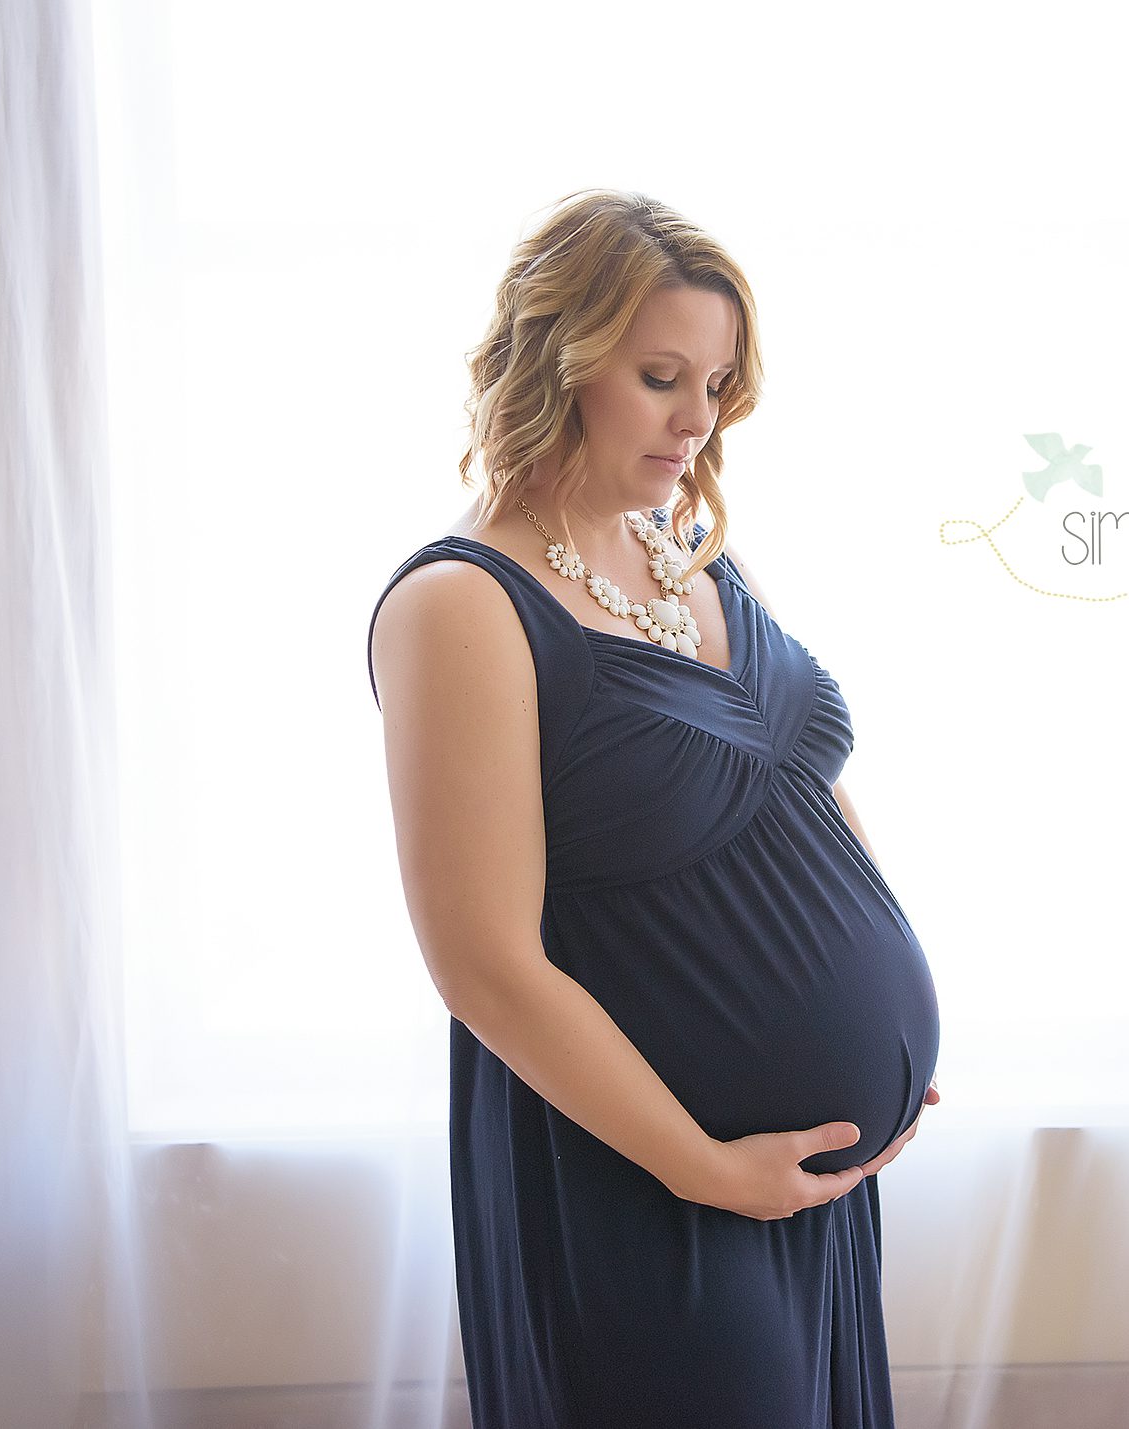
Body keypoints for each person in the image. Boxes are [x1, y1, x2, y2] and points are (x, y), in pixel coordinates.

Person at [365, 188, 943, 1428]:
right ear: (557, 363)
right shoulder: (462, 607)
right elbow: (482, 964)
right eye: (661, 376)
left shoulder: (685, 545)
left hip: (795, 1183)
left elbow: (797, 783)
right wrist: (711, 1170)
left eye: (719, 381)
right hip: (646, 1184)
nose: (701, 418)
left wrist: (886, 1027)